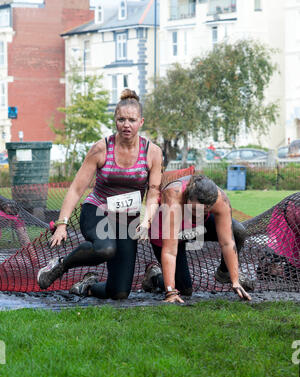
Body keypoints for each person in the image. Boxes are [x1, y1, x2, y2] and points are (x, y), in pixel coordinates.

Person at [37, 89, 162, 299]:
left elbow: (153, 192)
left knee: (119, 292)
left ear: (141, 122)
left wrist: (147, 221)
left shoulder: (153, 152)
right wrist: (62, 224)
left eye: (131, 120)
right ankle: (60, 265)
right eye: (121, 119)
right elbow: (77, 188)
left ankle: (88, 284)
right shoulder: (101, 148)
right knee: (105, 248)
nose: (126, 124)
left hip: (126, 220)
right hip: (97, 211)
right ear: (115, 120)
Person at [142, 174, 252, 303]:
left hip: (194, 227)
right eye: (194, 209)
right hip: (164, 228)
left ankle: (224, 273)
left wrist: (235, 280)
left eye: (204, 211)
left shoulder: (220, 200)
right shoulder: (173, 195)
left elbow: (227, 242)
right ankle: (154, 276)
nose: (198, 214)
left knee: (238, 230)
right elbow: (170, 251)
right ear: (187, 198)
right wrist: (170, 292)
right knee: (184, 290)